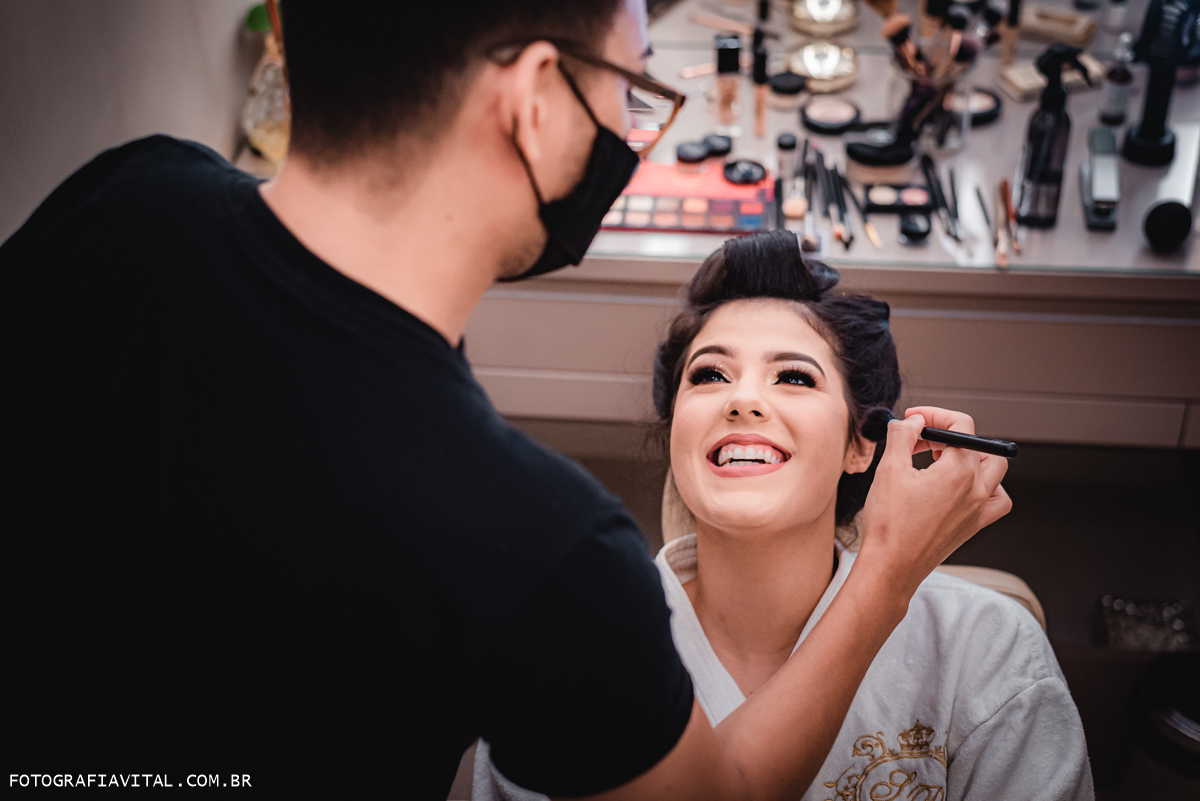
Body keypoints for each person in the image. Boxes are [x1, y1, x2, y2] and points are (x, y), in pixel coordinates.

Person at [1, 1, 1011, 797]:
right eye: (628, 91)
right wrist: (886, 569)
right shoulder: (537, 551)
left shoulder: (130, 196)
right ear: (535, 98)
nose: (633, 134)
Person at [474, 231, 1093, 801]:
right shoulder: (566, 651)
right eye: (710, 374)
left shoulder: (984, 652)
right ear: (675, 433)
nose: (744, 399)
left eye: (794, 378)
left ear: (862, 444)